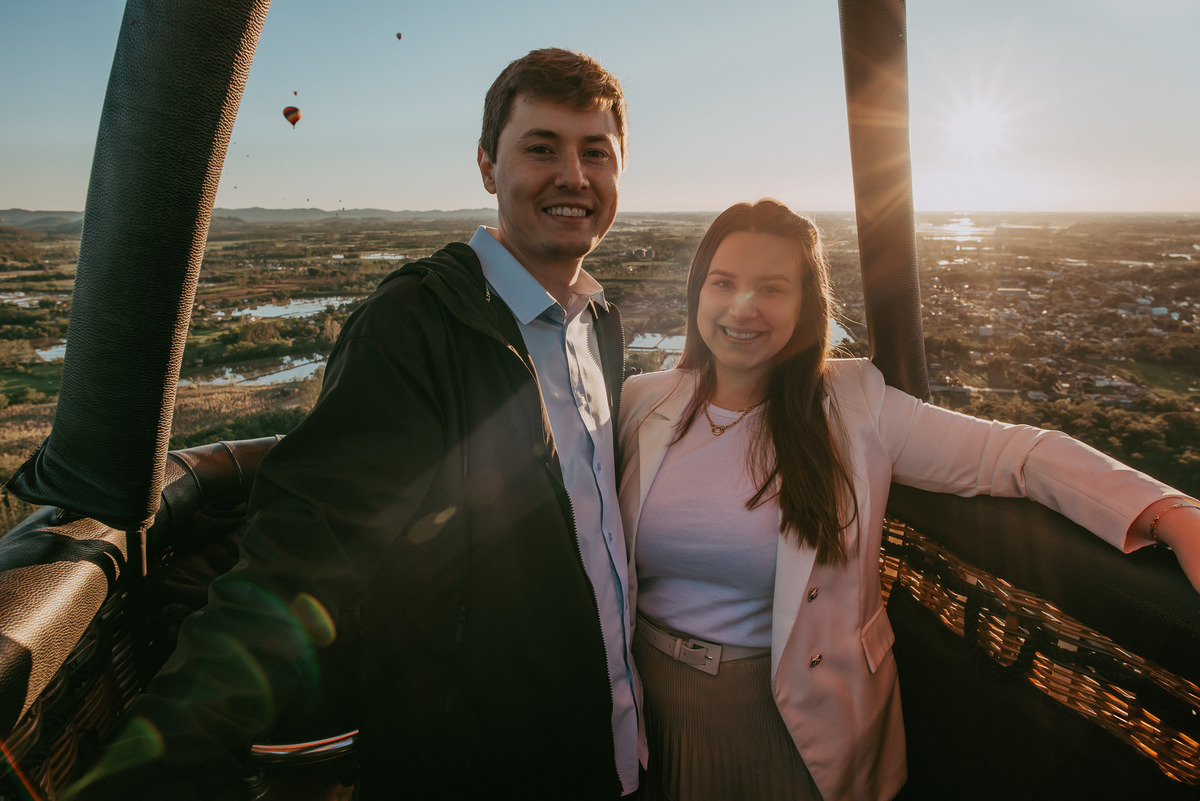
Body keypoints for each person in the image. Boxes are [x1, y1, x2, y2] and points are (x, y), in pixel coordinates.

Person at [69, 48, 644, 800]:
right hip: (484, 771)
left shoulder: (596, 322)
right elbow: (303, 553)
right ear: (485, 166)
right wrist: (156, 763)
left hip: (614, 752)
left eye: (595, 152)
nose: (573, 175)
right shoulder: (415, 325)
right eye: (542, 148)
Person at [617, 199, 1200, 801]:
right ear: (698, 292)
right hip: (651, 701)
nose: (744, 307)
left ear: (805, 306)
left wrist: (1172, 516)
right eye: (724, 283)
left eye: (772, 287)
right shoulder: (643, 402)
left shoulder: (853, 406)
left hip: (793, 711)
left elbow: (1019, 456)